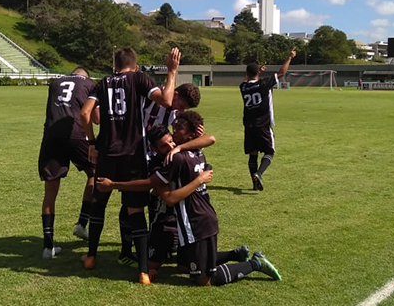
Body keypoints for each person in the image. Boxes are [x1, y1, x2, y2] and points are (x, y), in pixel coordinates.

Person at [98, 113, 282, 286]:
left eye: (173, 138)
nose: (171, 144)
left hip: (194, 221)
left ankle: (255, 264)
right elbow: (151, 183)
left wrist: (113, 184)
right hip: (192, 220)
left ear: (189, 136)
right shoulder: (191, 152)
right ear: (154, 148)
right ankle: (235, 254)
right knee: (184, 266)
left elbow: (167, 196)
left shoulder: (176, 159)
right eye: (165, 145)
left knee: (204, 279)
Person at [79, 47, 180, 284]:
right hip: (134, 155)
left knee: (99, 205)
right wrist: (172, 71)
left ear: (114, 66)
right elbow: (166, 100)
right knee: (136, 211)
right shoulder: (139, 78)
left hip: (108, 154)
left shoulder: (102, 83)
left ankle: (91, 257)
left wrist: (92, 142)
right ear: (135, 66)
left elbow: (85, 114)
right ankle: (144, 271)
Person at [116, 82, 202, 268]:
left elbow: (205, 137)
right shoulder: (152, 97)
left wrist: (183, 143)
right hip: (135, 156)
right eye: (180, 106)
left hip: (158, 159)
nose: (180, 110)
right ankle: (125, 249)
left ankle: (155, 243)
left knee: (156, 204)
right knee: (132, 205)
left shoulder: (177, 115)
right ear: (175, 94)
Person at [39, 67, 98, 259]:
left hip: (51, 133)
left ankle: (48, 246)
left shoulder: (55, 82)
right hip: (75, 131)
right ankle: (82, 223)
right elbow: (95, 118)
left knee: (50, 190)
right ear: (85, 76)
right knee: (95, 173)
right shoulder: (89, 84)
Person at [240, 48, 297, 191]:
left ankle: (254, 183)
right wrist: (289, 57)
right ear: (258, 72)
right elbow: (281, 73)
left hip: (249, 125)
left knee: (253, 154)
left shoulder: (243, 87)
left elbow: (249, 79)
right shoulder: (264, 84)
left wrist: (257, 72)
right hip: (263, 124)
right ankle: (259, 174)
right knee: (270, 152)